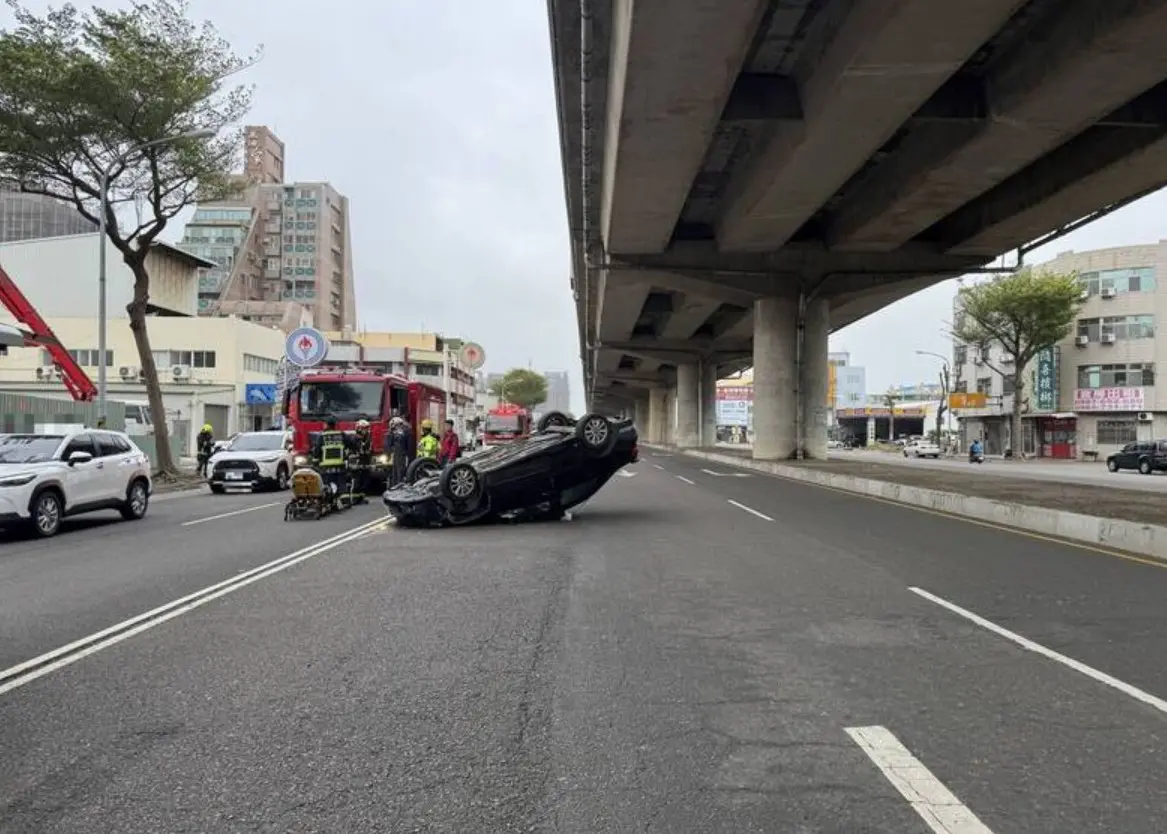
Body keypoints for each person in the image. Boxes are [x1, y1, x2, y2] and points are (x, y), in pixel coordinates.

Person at [312, 417, 354, 506]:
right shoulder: (341, 434)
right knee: (341, 483)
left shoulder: (322, 436)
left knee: (327, 484)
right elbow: (351, 444)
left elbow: (317, 451)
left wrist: (315, 462)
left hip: (326, 466)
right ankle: (345, 501)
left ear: (327, 425)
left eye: (324, 424)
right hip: (340, 464)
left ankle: (330, 502)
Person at [350, 419, 373, 504]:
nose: (367, 430)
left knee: (365, 481)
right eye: (364, 428)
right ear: (359, 429)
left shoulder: (367, 438)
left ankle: (362, 497)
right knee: (357, 481)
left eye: (367, 428)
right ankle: (354, 499)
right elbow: (356, 450)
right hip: (356, 463)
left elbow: (369, 450)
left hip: (365, 462)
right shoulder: (355, 438)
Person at [385, 416, 413, 488]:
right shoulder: (406, 432)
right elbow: (409, 446)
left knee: (396, 473)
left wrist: (388, 456)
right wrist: (409, 456)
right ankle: (398, 487)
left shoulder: (393, 433)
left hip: (397, 455)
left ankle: (395, 487)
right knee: (400, 472)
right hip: (401, 455)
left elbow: (387, 446)